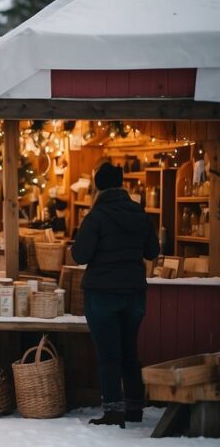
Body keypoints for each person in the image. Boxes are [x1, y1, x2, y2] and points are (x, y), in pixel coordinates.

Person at [71, 162, 158, 428]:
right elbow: (152, 251)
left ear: (97, 186)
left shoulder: (96, 216)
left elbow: (80, 254)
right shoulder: (139, 213)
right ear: (122, 184)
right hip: (134, 294)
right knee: (129, 352)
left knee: (109, 354)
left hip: (102, 294)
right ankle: (134, 408)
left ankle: (113, 410)